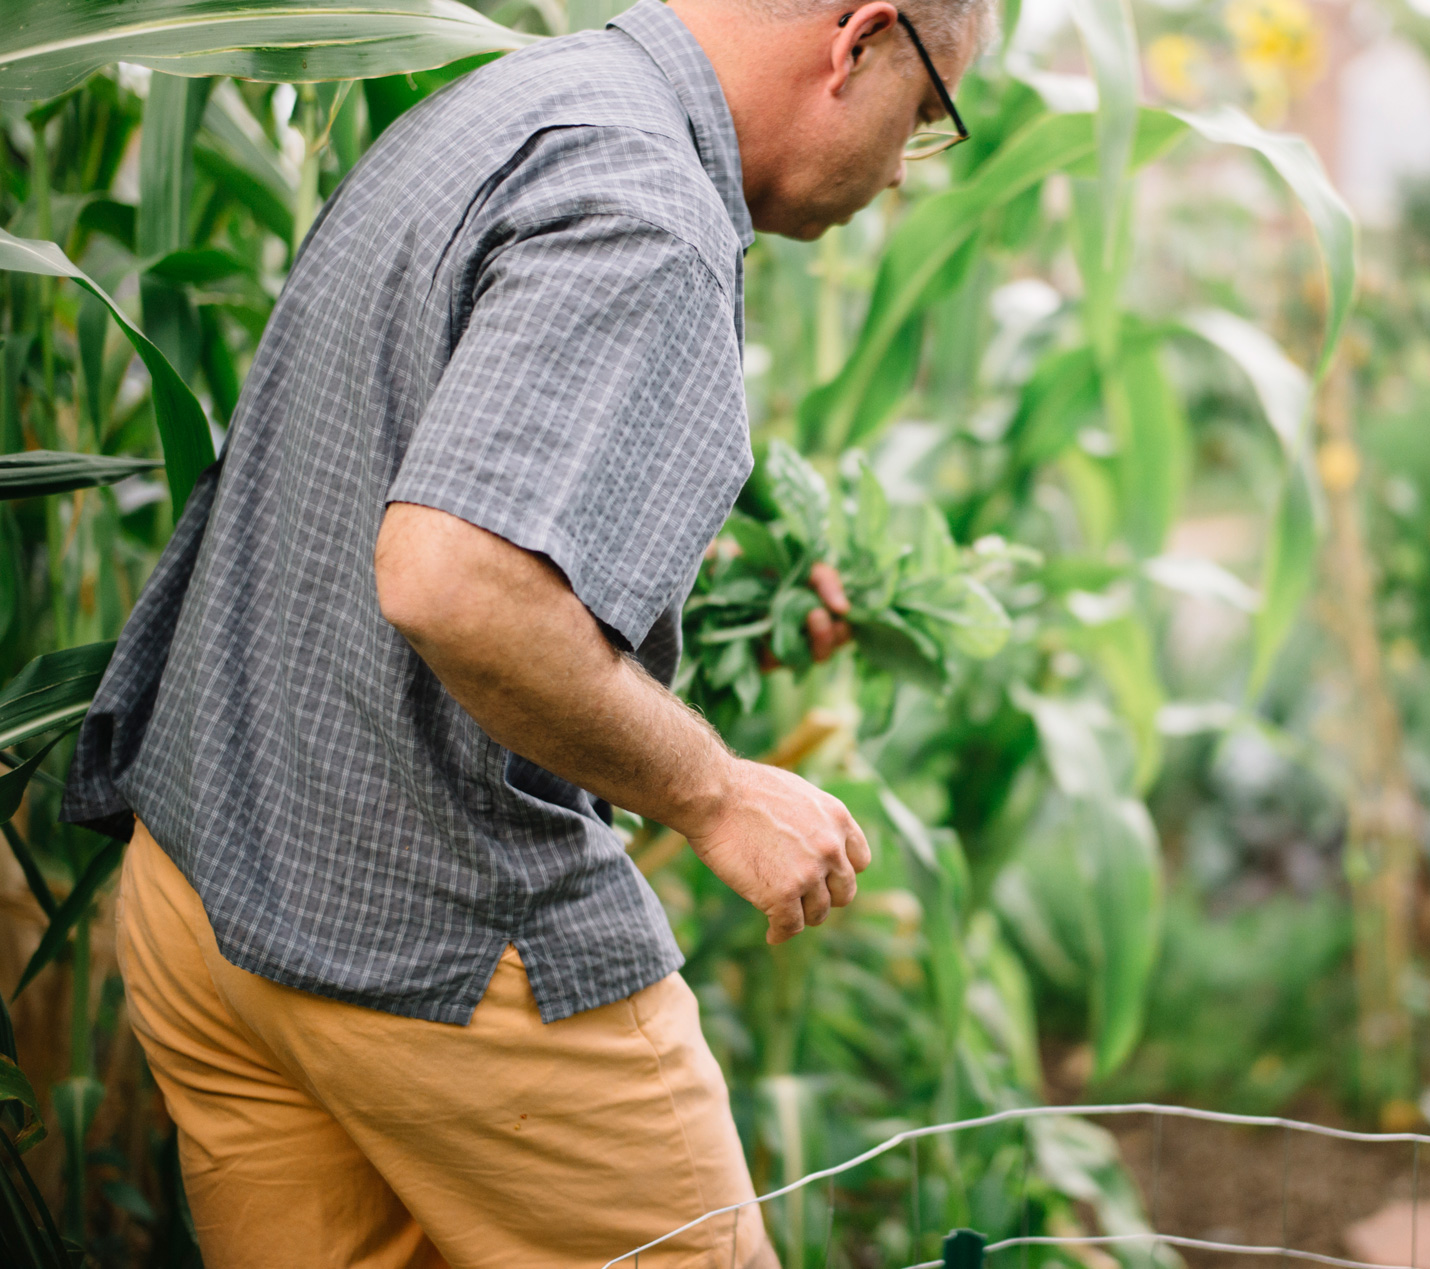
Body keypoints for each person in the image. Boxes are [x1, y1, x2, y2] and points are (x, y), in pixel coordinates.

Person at [63, 0, 988, 1263]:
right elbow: (454, 584)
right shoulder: (647, 209)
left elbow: (412, 493)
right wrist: (714, 794)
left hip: (204, 904)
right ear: (862, 40)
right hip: (431, 946)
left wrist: (721, 624)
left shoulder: (501, 105)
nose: (898, 169)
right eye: (926, 116)